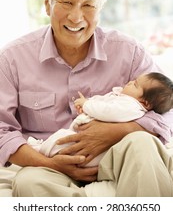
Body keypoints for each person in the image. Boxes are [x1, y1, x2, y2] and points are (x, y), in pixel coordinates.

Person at [0, 0, 173, 197]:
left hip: (115, 155)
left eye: (89, 4)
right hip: (52, 163)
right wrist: (51, 164)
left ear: (100, 7)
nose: (76, 17)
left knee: (143, 144)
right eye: (66, 2)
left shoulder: (129, 51)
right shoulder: (11, 58)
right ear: (48, 2)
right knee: (28, 182)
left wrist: (116, 132)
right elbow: (2, 131)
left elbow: (167, 113)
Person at [27, 72, 173, 167]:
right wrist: (87, 105)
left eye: (135, 84)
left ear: (145, 103)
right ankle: (43, 149)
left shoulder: (132, 106)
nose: (129, 82)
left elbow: (108, 112)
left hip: (94, 151)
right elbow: (103, 103)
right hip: (84, 139)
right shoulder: (125, 98)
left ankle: (41, 149)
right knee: (62, 138)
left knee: (61, 141)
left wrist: (87, 104)